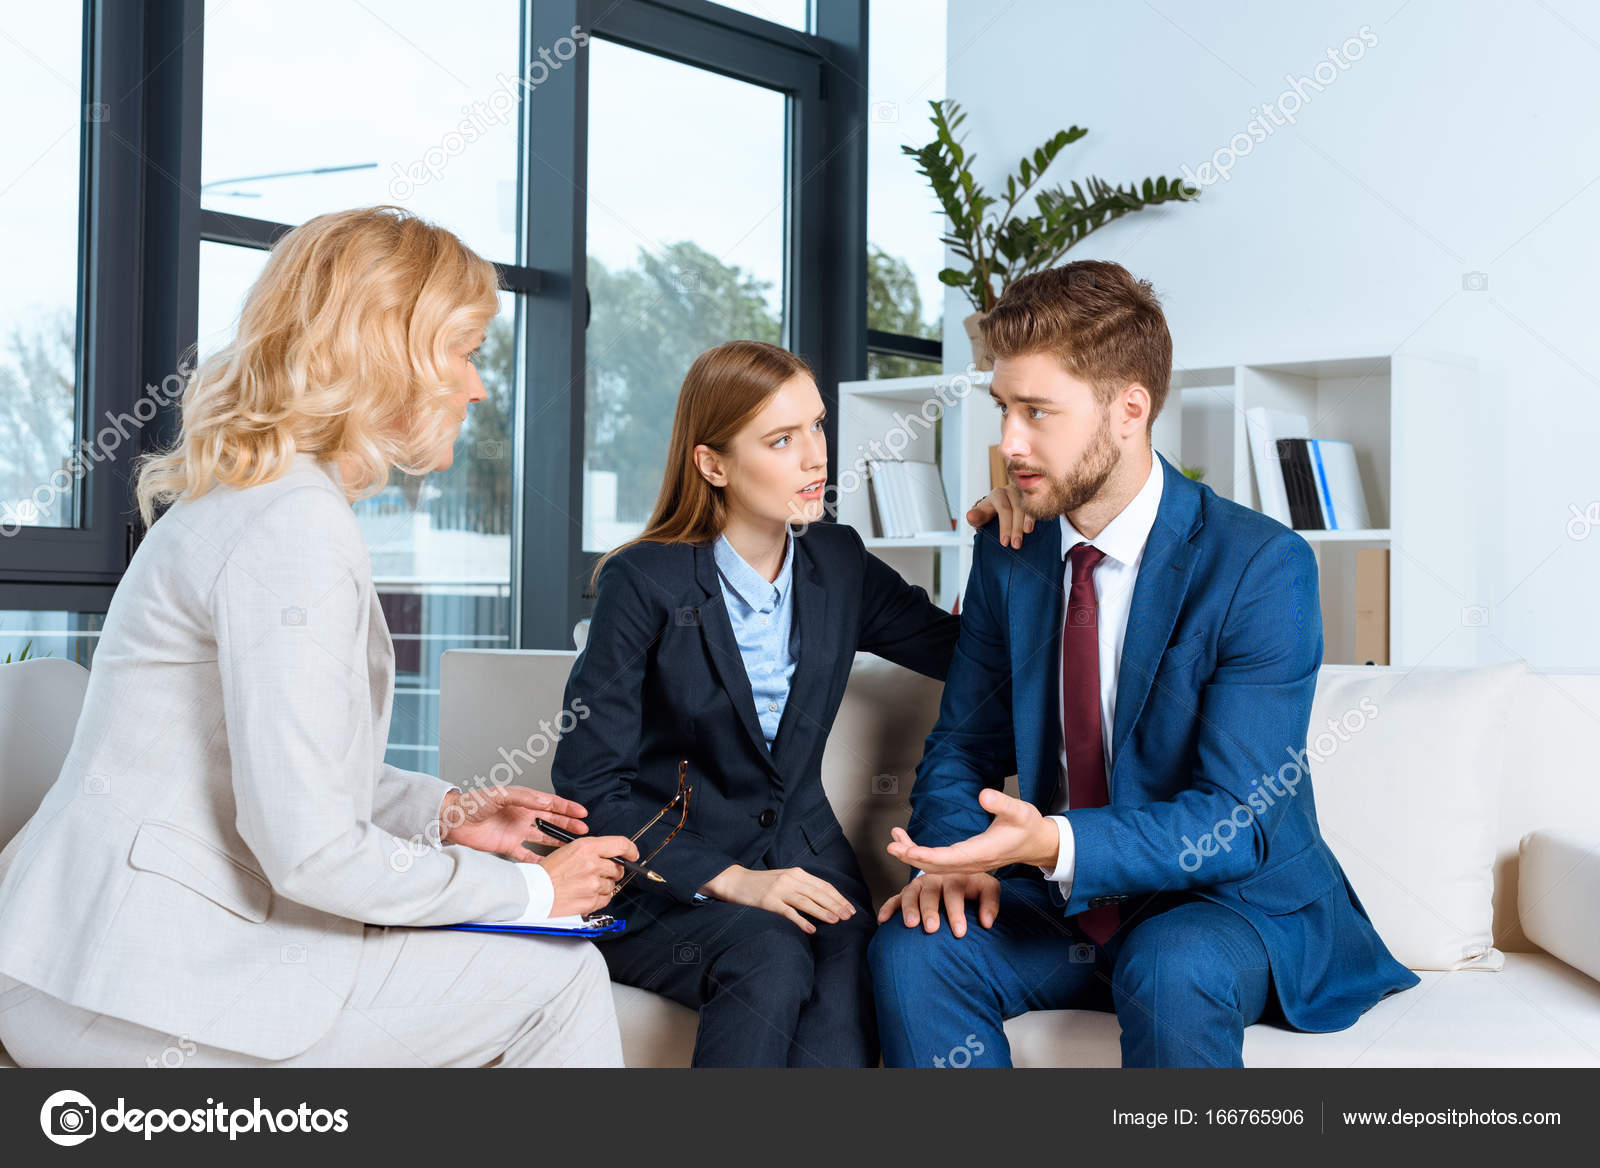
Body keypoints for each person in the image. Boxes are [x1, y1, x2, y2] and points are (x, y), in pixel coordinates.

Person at [0, 206, 638, 1068]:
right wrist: (533, 888)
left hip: (73, 964)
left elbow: (278, 768)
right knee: (558, 981)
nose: (477, 386)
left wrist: (444, 814)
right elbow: (310, 852)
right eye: (465, 350)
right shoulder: (293, 525)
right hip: (132, 996)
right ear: (385, 352)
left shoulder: (252, 495)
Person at [868, 261, 1418, 1068]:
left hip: (1221, 904)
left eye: (1037, 412)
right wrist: (955, 858)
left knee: (1174, 964)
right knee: (916, 950)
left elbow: (1238, 817)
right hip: (1063, 905)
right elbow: (963, 743)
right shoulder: (1010, 554)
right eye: (1003, 409)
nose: (1008, 443)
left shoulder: (1259, 565)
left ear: (1130, 408)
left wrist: (1049, 841)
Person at [550, 339, 1025, 1067]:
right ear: (713, 464)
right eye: (781, 439)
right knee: (769, 954)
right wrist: (737, 881)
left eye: (817, 427)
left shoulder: (837, 561)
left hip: (809, 863)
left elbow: (967, 653)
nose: (815, 458)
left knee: (844, 994)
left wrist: (1015, 536)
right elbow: (589, 784)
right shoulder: (644, 582)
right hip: (665, 877)